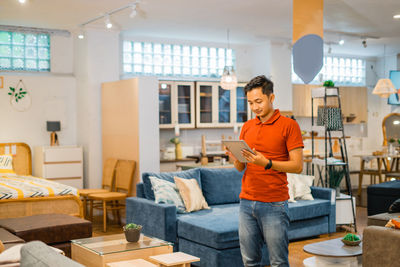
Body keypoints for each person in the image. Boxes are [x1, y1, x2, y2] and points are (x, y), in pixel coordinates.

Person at [226, 75, 304, 267]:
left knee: (278, 262)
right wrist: (233, 156)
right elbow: (240, 167)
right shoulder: (247, 126)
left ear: (272, 97)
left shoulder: (289, 125)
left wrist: (267, 163)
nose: (255, 107)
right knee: (250, 261)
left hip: (274, 204)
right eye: (251, 103)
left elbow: (297, 166)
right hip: (246, 202)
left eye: (259, 101)